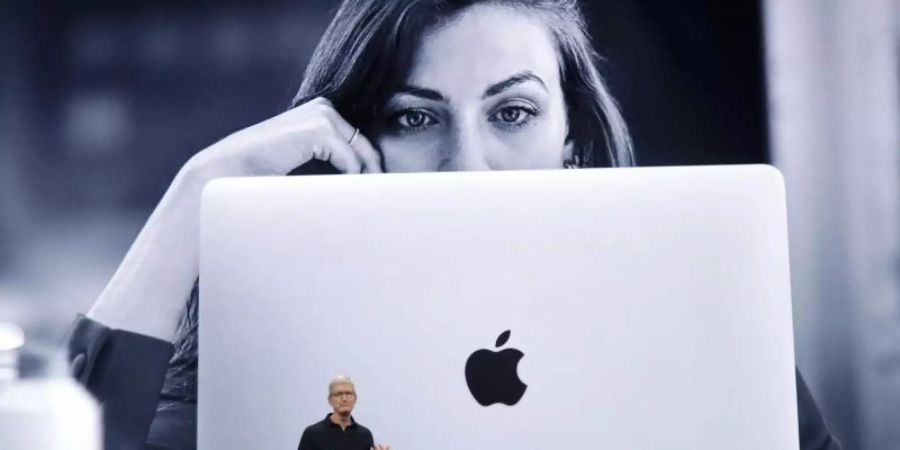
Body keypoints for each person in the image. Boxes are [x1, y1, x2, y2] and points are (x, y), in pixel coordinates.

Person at [64, 0, 841, 449]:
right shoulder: (268, 358)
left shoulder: (696, 330)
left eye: (512, 111)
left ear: (570, 140)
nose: (467, 163)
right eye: (413, 117)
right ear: (348, 139)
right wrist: (196, 191)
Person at [297, 375, 390, 450]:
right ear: (330, 400)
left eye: (348, 394)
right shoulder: (312, 434)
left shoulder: (365, 435)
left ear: (355, 399)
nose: (344, 399)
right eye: (338, 394)